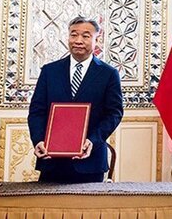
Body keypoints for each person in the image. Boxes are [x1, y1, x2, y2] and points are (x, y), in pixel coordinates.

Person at [28, 16, 124, 183]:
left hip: (90, 161)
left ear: (97, 40)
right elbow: (37, 111)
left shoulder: (109, 74)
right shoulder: (49, 71)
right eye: (74, 35)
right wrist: (38, 140)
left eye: (86, 36)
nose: (78, 40)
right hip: (51, 161)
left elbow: (114, 114)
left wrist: (92, 141)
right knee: (48, 201)